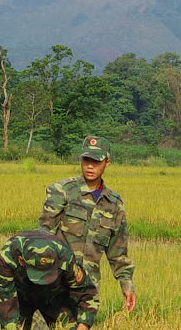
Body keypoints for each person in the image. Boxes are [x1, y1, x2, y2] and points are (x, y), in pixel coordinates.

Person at [39, 134, 137, 313]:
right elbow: (42, 238)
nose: (90, 166)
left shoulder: (114, 204)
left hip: (87, 289)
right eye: (86, 160)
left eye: (96, 161)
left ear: (107, 162)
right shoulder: (62, 191)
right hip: (55, 283)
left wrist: (127, 285)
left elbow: (118, 252)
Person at [0, 229, 99, 330]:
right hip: (20, 298)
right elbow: (5, 300)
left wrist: (84, 325)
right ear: (21, 261)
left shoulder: (64, 257)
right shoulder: (8, 257)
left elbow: (87, 292)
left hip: (55, 297)